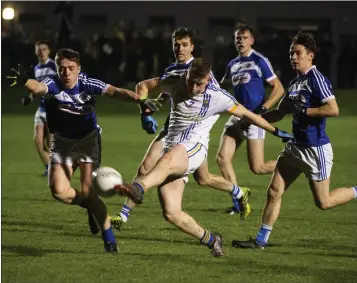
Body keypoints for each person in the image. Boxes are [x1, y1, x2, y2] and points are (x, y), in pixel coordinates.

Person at [114, 58, 294, 257]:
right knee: (172, 213)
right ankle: (211, 239)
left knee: (164, 163)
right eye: (190, 80)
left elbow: (248, 115)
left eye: (198, 83)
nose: (193, 87)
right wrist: (144, 106)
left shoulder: (218, 96)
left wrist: (275, 131)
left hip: (194, 146)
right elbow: (145, 85)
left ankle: (139, 188)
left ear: (208, 79)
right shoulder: (176, 80)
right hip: (173, 148)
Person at [7, 48, 160, 253]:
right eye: (62, 69)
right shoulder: (53, 84)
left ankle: (109, 238)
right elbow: (38, 88)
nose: (67, 73)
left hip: (88, 142)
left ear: (79, 69)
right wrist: (26, 81)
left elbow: (116, 92)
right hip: (62, 143)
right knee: (59, 191)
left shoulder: (87, 83)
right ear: (57, 69)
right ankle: (91, 206)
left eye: (71, 68)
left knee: (88, 190)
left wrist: (139, 101)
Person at [111, 27, 251, 231]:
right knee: (203, 178)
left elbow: (216, 99)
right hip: (175, 130)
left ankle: (123, 215)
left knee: (149, 167)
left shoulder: (201, 72)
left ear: (192, 47)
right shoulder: (172, 69)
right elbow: (166, 92)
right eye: (176, 44)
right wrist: (148, 109)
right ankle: (239, 192)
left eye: (184, 44)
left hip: (192, 135)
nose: (179, 48)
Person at [231, 31, 357, 249]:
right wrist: (253, 120)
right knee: (273, 191)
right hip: (294, 148)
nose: (293, 57)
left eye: (298, 53)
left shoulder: (317, 79)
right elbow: (279, 113)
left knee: (323, 202)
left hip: (315, 149)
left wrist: (306, 110)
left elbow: (333, 109)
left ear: (310, 55)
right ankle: (260, 240)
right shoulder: (296, 82)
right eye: (291, 54)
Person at [217, 23, 285, 214]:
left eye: (244, 37)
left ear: (252, 40)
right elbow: (220, 87)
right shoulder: (232, 64)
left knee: (259, 167)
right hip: (238, 115)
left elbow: (279, 88)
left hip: (254, 117)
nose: (240, 40)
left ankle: (297, 164)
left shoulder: (259, 60)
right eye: (237, 37)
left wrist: (263, 109)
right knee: (223, 158)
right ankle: (239, 200)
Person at [32, 40, 57, 177]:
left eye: (44, 49)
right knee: (37, 140)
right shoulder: (36, 68)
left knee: (50, 142)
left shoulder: (54, 65)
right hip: (42, 107)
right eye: (39, 49)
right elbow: (38, 88)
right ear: (36, 51)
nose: (41, 51)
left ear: (49, 51)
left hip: (53, 108)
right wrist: (31, 96)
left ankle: (56, 169)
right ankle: (49, 168)